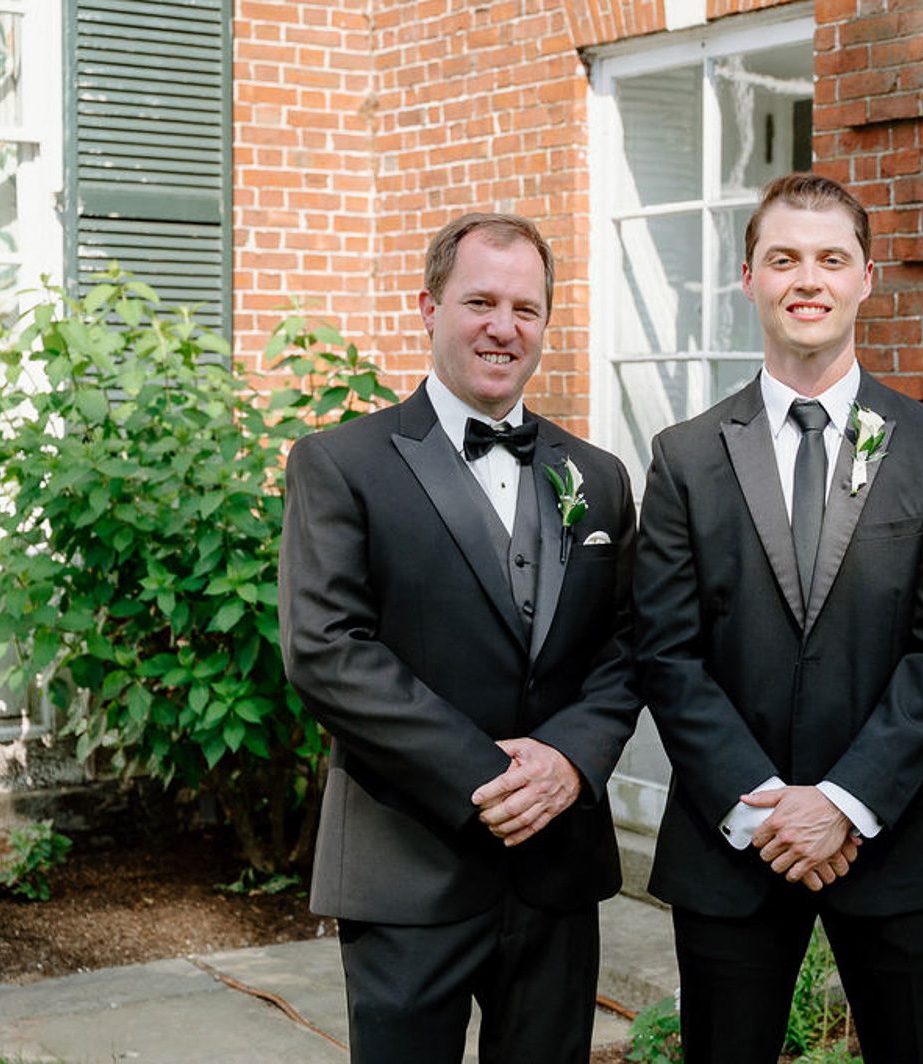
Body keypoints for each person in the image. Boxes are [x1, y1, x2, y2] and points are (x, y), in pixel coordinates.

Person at [633, 173, 923, 1063]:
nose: (808, 279)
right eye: (783, 258)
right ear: (746, 277)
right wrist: (765, 813)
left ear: (867, 278)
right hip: (733, 841)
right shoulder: (685, 458)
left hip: (895, 834)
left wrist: (843, 802)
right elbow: (667, 653)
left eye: (832, 259)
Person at [278, 212, 640, 1064]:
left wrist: (570, 762)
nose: (503, 327)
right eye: (480, 301)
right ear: (428, 306)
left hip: (556, 869)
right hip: (409, 865)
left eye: (526, 308)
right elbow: (327, 650)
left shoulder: (598, 476)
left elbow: (626, 648)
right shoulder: (341, 463)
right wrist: (494, 778)